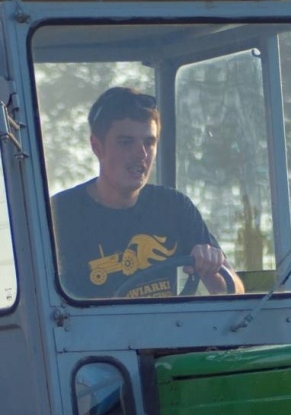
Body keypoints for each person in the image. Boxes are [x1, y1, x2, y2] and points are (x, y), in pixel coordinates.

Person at [52, 87, 243, 300]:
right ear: (97, 147)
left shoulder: (174, 206)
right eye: (126, 142)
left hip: (166, 331)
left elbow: (235, 289)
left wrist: (212, 267)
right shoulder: (59, 215)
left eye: (149, 142)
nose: (141, 153)